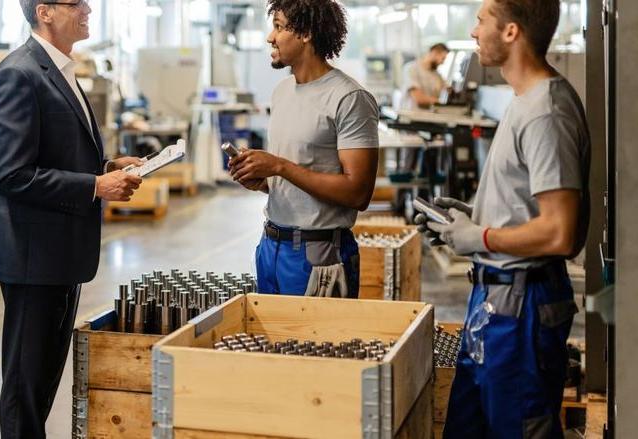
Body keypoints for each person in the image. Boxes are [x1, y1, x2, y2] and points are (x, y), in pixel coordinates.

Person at [414, 0, 590, 437]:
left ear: (510, 32)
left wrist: (481, 236)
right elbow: (526, 208)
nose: (473, 32)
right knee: (467, 427)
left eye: (480, 21)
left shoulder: (546, 111)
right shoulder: (523, 100)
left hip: (523, 309)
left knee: (516, 428)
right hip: (491, 304)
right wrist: (470, 218)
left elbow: (559, 231)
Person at [0, 1, 143, 437]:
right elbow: (12, 174)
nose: (87, 9)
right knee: (26, 389)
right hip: (32, 257)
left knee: (43, 380)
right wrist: (94, 187)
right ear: (44, 11)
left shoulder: (58, 70)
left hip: (58, 252)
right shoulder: (19, 73)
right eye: (75, 3)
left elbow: (54, 154)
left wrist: (103, 170)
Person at [228, 0, 379, 298]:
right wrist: (263, 180)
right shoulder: (282, 91)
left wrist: (279, 166)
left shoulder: (349, 98)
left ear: (306, 32)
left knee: (317, 343)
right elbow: (297, 173)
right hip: (271, 246)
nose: (270, 37)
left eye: (279, 27)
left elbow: (358, 192)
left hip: (317, 255)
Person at [403, 43, 450, 109]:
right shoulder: (411, 69)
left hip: (428, 116)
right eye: (443, 58)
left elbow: (448, 89)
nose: (442, 62)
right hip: (413, 116)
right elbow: (419, 99)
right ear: (435, 53)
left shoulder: (437, 75)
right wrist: (442, 102)